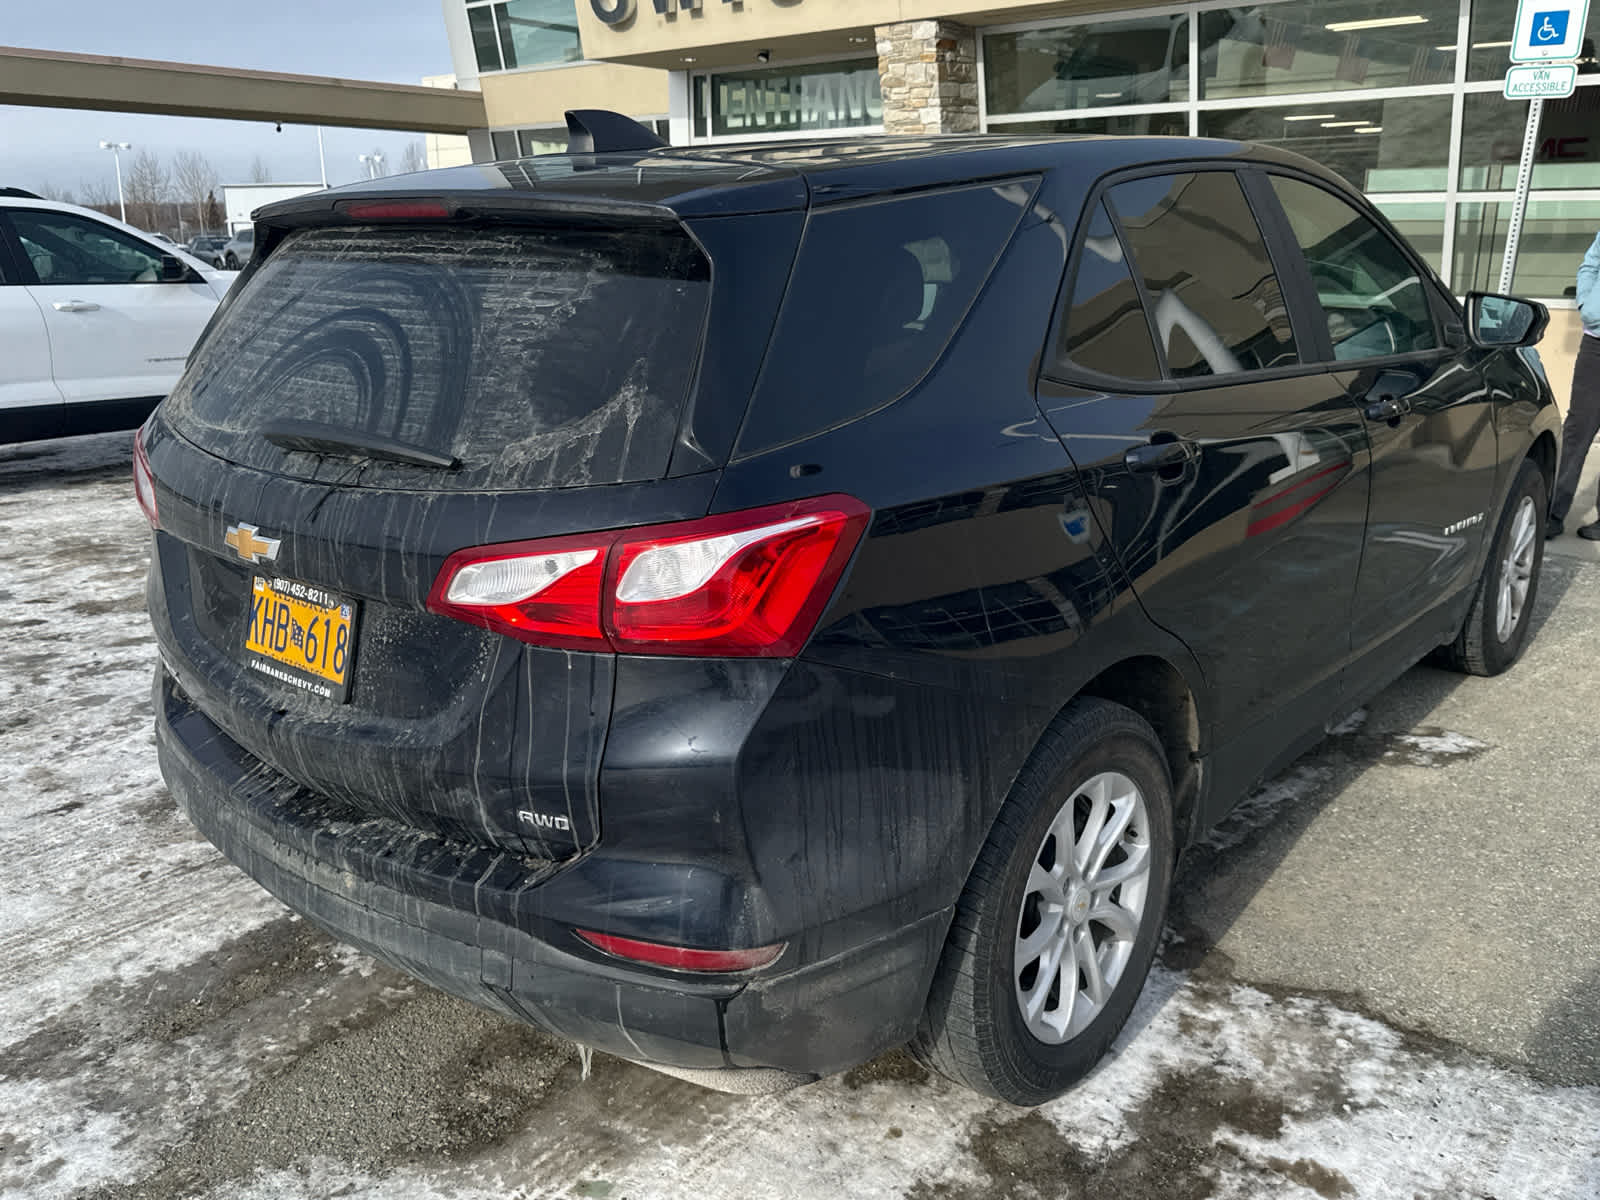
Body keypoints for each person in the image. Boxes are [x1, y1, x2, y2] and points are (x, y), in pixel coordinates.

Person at [1549, 230, 1600, 539]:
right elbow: (1591, 264)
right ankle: (1553, 513)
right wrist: (1588, 304)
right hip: (1596, 345)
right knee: (1577, 429)